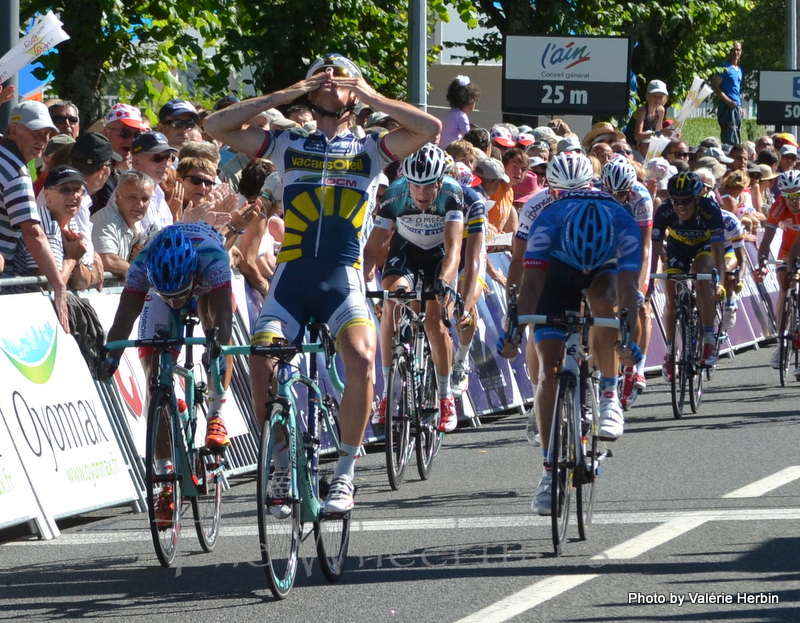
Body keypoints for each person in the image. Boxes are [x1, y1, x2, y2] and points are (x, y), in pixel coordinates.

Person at [204, 52, 441, 513]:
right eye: (323, 78)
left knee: (362, 356)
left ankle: (346, 473)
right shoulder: (287, 143)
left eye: (342, 78)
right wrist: (287, 93)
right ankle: (275, 461)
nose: (332, 82)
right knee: (261, 361)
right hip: (292, 280)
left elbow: (429, 129)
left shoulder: (371, 149)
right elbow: (217, 126)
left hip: (342, 279)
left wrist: (370, 95)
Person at [498, 186, 642, 516]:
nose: (585, 269)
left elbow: (629, 290)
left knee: (604, 302)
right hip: (557, 269)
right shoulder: (548, 220)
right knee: (549, 371)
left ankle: (609, 394)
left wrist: (628, 339)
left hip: (606, 266)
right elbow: (531, 283)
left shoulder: (624, 223)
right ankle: (549, 473)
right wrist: (515, 330)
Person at [99, 223, 234, 523]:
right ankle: (166, 479)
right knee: (153, 376)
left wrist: (217, 348)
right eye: (170, 294)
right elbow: (123, 320)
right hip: (159, 289)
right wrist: (112, 357)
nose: (176, 300)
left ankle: (216, 415)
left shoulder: (213, 259)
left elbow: (225, 318)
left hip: (206, 292)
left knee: (214, 328)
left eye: (178, 294)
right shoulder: (142, 265)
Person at [363, 144, 465, 431]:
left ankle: (445, 398)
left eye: (428, 186)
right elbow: (373, 245)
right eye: (415, 186)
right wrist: (364, 279)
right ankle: (387, 395)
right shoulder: (395, 194)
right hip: (405, 250)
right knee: (393, 301)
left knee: (435, 322)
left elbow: (454, 248)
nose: (421, 194)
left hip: (439, 256)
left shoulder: (452, 193)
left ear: (440, 181)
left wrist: (444, 282)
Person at [0, 100, 69, 332]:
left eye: (47, 134)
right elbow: (34, 233)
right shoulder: (16, 173)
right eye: (36, 133)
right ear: (14, 130)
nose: (43, 141)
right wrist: (59, 287)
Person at [650, 171, 726, 379]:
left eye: (686, 202)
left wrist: (718, 281)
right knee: (671, 296)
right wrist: (656, 272)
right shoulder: (665, 210)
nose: (680, 207)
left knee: (702, 278)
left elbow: (719, 251)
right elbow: (655, 246)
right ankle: (669, 352)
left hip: (704, 247)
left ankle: (709, 339)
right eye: (676, 201)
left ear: (697, 198)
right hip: (677, 248)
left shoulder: (710, 209)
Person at [602, 157, 654, 407]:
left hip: (634, 242)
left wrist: (640, 285)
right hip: (610, 239)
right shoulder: (597, 191)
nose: (617, 198)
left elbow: (644, 247)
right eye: (611, 192)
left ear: (630, 188)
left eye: (622, 193)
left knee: (637, 301)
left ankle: (635, 364)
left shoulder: (641, 198)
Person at [12, 165, 103, 291]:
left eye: (78, 190)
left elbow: (81, 284)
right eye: (65, 190)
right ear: (47, 195)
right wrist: (72, 257)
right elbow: (51, 286)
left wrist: (77, 261)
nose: (74, 195)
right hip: (25, 302)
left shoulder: (72, 224)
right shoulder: (44, 223)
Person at [756, 170, 800, 372]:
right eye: (788, 195)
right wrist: (762, 263)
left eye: (797, 195)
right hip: (786, 249)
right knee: (784, 288)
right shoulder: (779, 206)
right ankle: (782, 340)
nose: (792, 200)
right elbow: (766, 240)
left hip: (796, 250)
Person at [91, 170, 152, 278]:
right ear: (118, 196)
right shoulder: (106, 220)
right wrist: (139, 271)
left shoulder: (138, 224)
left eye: (145, 199)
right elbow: (107, 260)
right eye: (132, 197)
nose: (140, 204)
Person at [130, 132, 178, 237]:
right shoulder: (128, 191)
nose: (166, 163)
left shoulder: (158, 192)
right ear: (136, 162)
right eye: (157, 157)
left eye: (169, 157)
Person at [712, 42, 744, 146]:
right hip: (727, 108)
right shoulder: (724, 67)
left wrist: (739, 107)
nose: (735, 52)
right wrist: (728, 101)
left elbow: (735, 91)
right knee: (729, 138)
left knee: (737, 137)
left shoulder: (739, 70)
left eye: (737, 50)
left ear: (741, 52)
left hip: (736, 107)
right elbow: (715, 86)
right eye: (733, 50)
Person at [440, 75, 480, 147]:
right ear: (469, 101)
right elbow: (468, 137)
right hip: (453, 150)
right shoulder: (461, 116)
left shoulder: (448, 114)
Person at [632, 80, 669, 145]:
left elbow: (658, 134)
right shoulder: (642, 111)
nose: (658, 100)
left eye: (661, 97)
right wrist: (659, 133)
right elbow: (637, 137)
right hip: (633, 145)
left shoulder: (660, 111)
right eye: (655, 96)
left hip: (648, 145)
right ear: (648, 96)